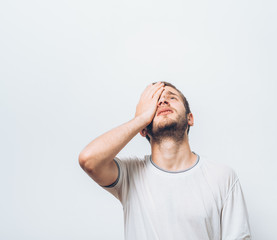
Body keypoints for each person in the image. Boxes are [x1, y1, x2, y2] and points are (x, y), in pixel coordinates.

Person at [78, 82, 252, 240]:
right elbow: (89, 160)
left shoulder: (222, 177)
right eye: (155, 102)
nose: (162, 102)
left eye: (171, 97)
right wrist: (139, 119)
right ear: (143, 129)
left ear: (190, 118)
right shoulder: (130, 175)